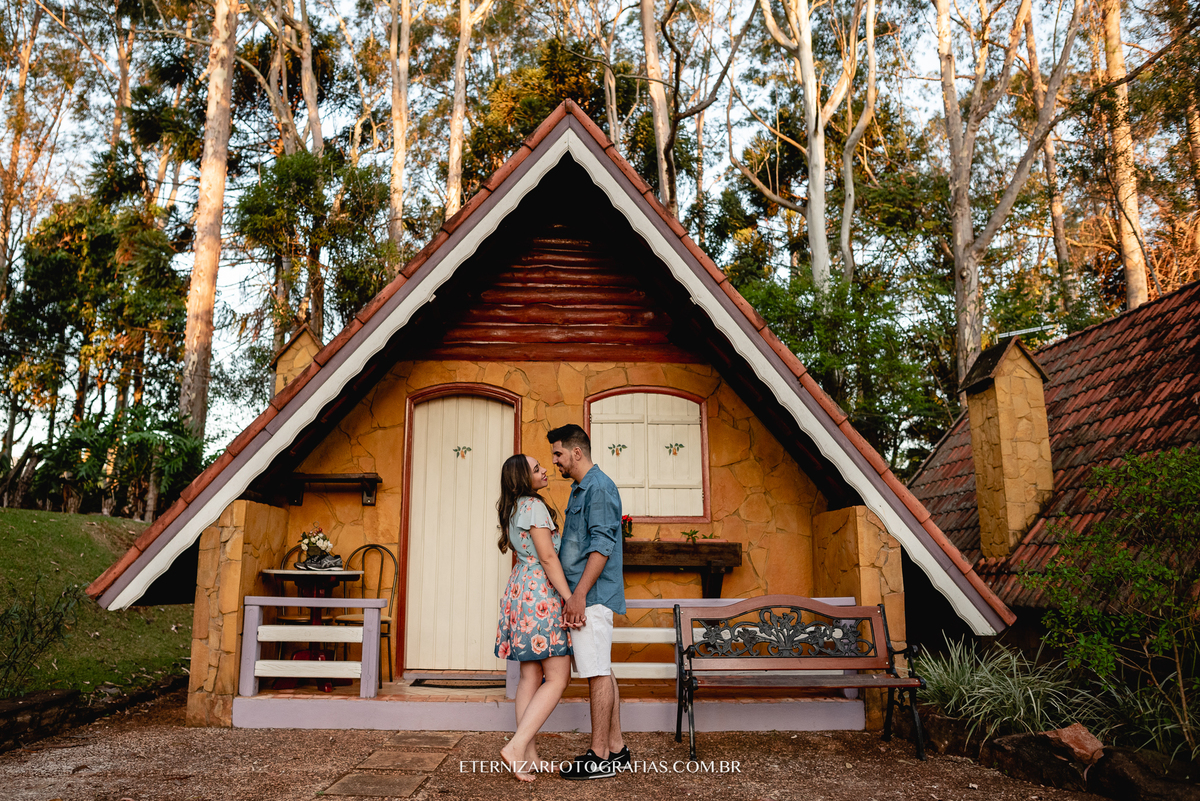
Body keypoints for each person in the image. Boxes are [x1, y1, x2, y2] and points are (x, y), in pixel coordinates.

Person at [548, 424, 629, 780]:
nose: (556, 462)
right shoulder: (582, 488)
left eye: (558, 454)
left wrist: (577, 596)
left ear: (576, 452)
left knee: (596, 673)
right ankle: (616, 748)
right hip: (587, 595)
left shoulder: (599, 488)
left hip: (591, 597)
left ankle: (598, 756)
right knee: (602, 667)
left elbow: (602, 545)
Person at [494, 454, 574, 783]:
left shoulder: (512, 507)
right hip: (540, 595)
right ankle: (516, 748)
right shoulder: (534, 506)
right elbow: (548, 556)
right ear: (523, 479)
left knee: (530, 676)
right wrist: (570, 599)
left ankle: (528, 756)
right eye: (537, 468)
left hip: (520, 591)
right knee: (558, 676)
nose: (544, 471)